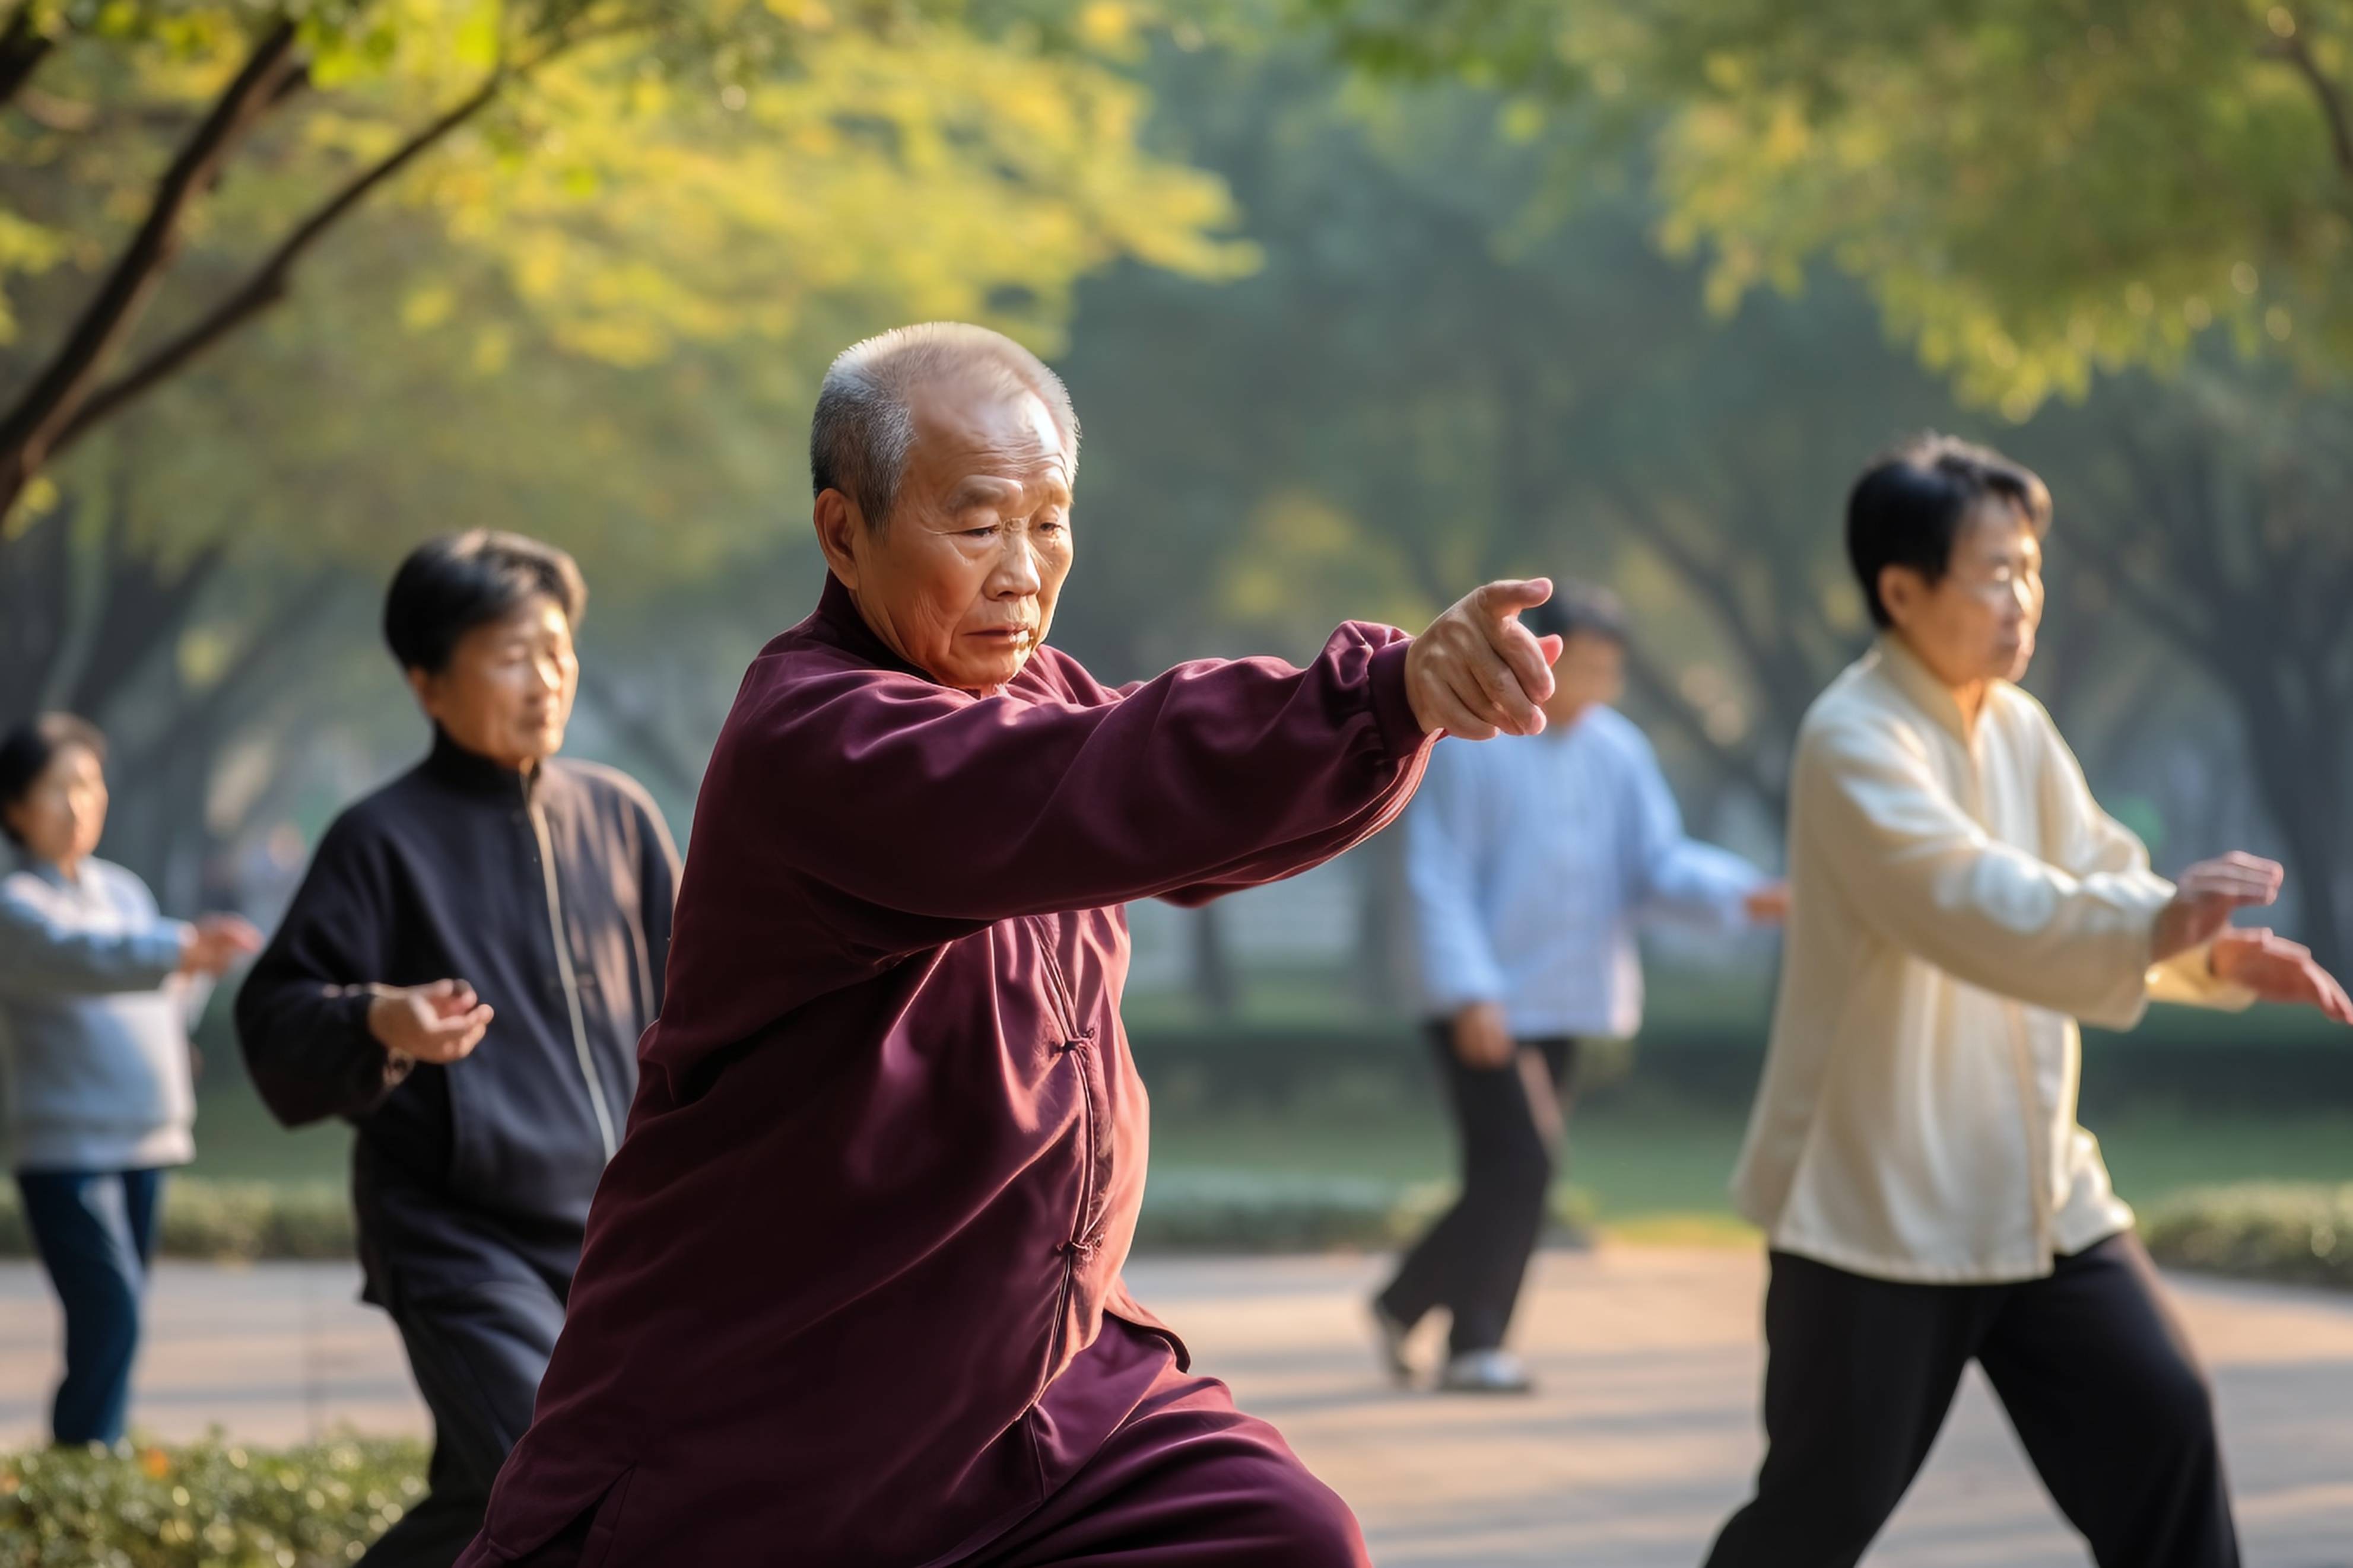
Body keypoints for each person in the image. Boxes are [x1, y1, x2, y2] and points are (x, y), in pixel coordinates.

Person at [452, 323, 1563, 1568]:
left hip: (1037, 1380)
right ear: (842, 534)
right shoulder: (814, 736)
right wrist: (1381, 691)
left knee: (1280, 1538)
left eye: (1050, 522)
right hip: (785, 1391)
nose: (1022, 571)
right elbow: (1094, 783)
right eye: (976, 525)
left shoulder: (1039, 698)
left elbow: (1183, 822)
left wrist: (1394, 719)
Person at [1705, 434, 2353, 1568]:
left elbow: (2101, 874)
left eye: (2031, 568)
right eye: (1994, 571)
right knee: (1815, 1517)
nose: (2023, 600)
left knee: (2165, 1430)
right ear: (1901, 590)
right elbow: (1971, 899)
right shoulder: (1851, 738)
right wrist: (2154, 927)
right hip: (1880, 1208)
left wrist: (2213, 957)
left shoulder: (2018, 726)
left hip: (2043, 1196)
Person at [236, 533, 679, 1568]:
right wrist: (376, 1019)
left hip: (613, 1236)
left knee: (492, 1504)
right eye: (512, 655)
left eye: (559, 650)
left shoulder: (618, 816)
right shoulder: (379, 839)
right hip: (455, 1235)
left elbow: (697, 1001)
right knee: (557, 1479)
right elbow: (272, 1020)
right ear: (428, 683)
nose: (547, 679)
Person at [1374, 583, 1786, 1393]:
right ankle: (1475, 1342)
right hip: (1480, 1000)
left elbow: (1657, 864)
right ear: (1538, 656)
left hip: (1563, 997)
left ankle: (1403, 1298)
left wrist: (1745, 893)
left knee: (1511, 1167)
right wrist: (1469, 991)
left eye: (1609, 668)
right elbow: (1437, 876)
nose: (1596, 684)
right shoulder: (1472, 740)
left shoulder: (1618, 752)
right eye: (1582, 665)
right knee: (1522, 1163)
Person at [0, 713, 259, 1446]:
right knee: (110, 1311)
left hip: (147, 1136)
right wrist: (184, 946)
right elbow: (85, 959)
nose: (79, 805)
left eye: (89, 784)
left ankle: (97, 1461)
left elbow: (160, 992)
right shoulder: (16, 907)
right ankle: (85, 1466)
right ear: (15, 807)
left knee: (121, 1316)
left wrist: (197, 970)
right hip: (68, 1150)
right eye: (57, 790)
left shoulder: (123, 892)